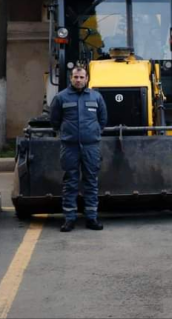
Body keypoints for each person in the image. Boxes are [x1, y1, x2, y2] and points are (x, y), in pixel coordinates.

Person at [50, 65, 108, 232]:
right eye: (76, 77)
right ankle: (69, 219)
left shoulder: (96, 97)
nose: (78, 80)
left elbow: (103, 119)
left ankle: (91, 218)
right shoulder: (61, 98)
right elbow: (55, 120)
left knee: (91, 181)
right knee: (70, 182)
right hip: (70, 147)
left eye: (82, 77)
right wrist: (67, 134)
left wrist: (93, 133)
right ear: (71, 78)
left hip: (91, 147)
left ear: (87, 78)